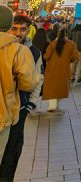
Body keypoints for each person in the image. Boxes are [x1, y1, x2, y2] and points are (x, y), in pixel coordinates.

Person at [0, 15, 42, 181]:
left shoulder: (33, 51)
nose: (18, 33)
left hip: (18, 110)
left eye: (22, 29)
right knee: (8, 157)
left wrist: (31, 103)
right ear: (9, 26)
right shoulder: (19, 51)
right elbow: (28, 83)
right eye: (15, 28)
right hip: (10, 113)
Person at [42, 28, 78, 112]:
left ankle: (52, 105)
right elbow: (75, 56)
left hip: (52, 68)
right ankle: (56, 104)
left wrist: (45, 57)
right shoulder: (71, 44)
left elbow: (46, 56)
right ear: (67, 34)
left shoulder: (52, 44)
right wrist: (69, 60)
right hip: (64, 69)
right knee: (61, 86)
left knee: (52, 86)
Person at [69, 18, 81, 83]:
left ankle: (72, 77)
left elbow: (69, 39)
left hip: (74, 49)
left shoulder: (73, 29)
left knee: (73, 64)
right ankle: (80, 77)